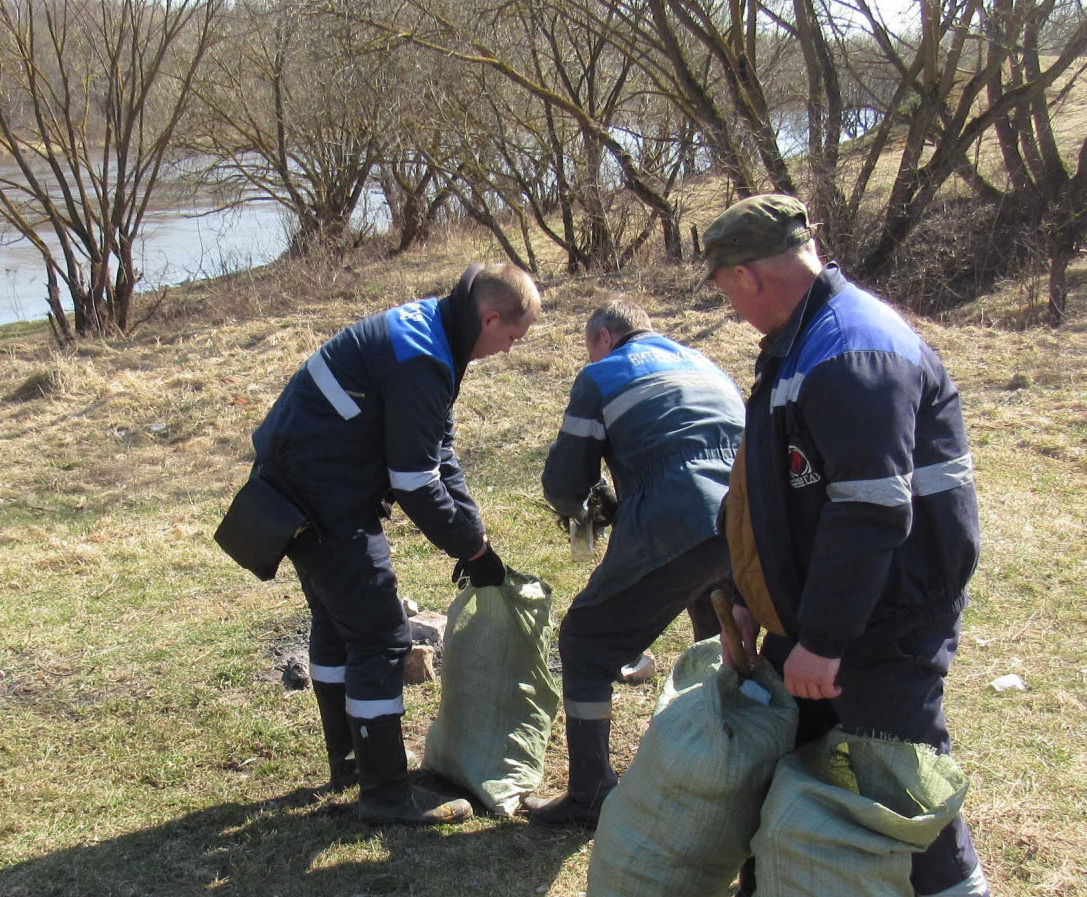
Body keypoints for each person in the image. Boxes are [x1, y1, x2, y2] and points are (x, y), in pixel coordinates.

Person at [700, 194, 1006, 897]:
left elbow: (874, 512)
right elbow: (774, 495)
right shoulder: (797, 341)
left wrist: (826, 642)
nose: (729, 303)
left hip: (883, 629)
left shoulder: (851, 351)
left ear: (749, 274)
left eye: (725, 289)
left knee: (903, 806)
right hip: (822, 622)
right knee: (793, 780)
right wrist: (754, 597)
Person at [251, 263, 540, 826]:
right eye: (511, 337)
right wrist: (472, 552)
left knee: (340, 625)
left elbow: (439, 451)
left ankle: (354, 760)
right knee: (381, 638)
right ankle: (384, 794)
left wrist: (473, 536)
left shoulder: (437, 331)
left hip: (307, 476)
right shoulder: (425, 358)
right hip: (319, 493)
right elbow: (413, 481)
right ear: (490, 316)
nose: (508, 349)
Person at [526, 301, 745, 827]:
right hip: (746, 520)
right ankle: (732, 771)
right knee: (724, 642)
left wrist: (583, 505)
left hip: (678, 517)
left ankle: (591, 793)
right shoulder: (704, 363)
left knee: (585, 640)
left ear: (603, 336)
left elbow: (563, 483)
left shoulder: (601, 375)